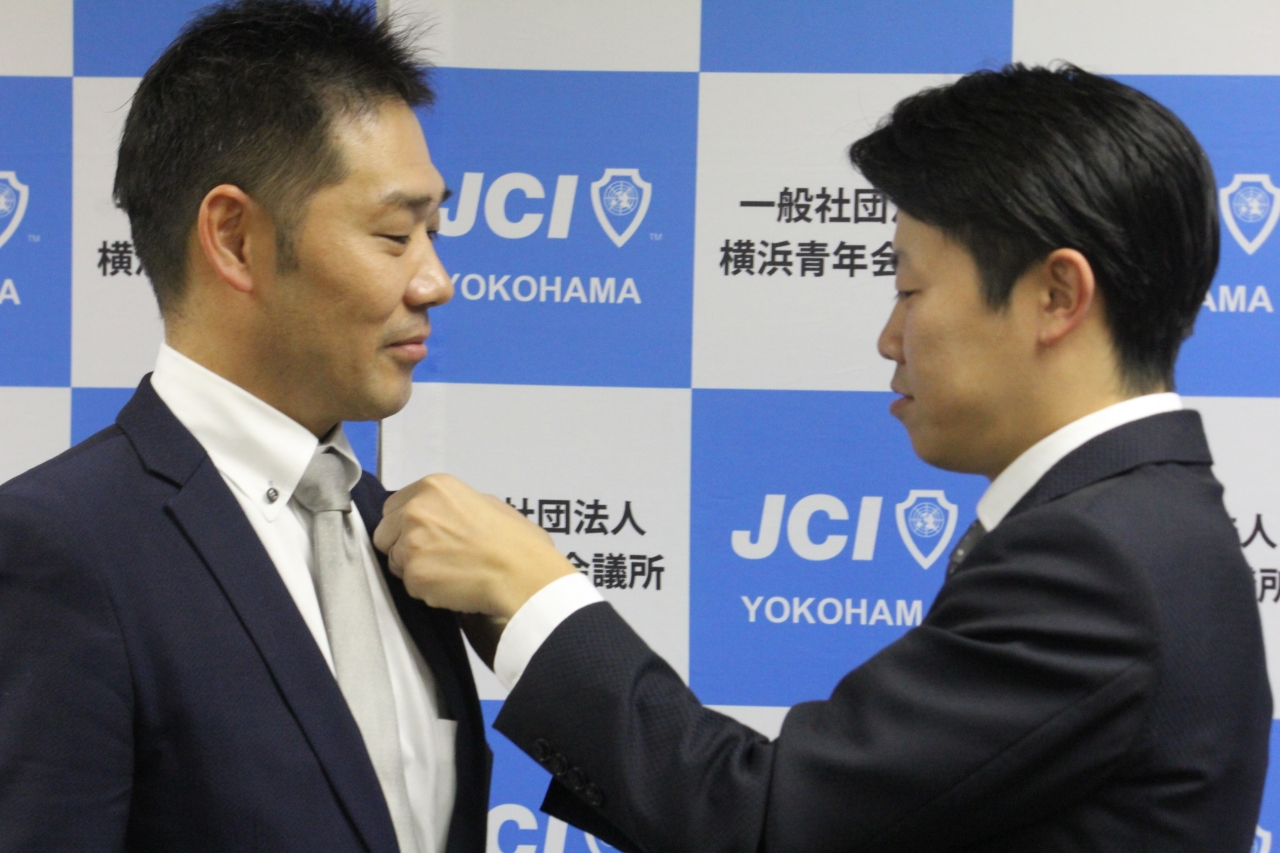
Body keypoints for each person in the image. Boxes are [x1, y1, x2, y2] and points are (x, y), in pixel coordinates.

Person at [374, 65, 1272, 852]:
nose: (889, 337)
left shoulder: (1097, 560)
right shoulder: (1150, 529)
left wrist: (532, 595)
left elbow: (762, 822)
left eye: (911, 288)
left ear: (1056, 294)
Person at [0, 3, 488, 851]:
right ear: (233, 237)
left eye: (434, 231)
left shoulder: (404, 544)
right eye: (394, 234)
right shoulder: (63, 549)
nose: (435, 280)